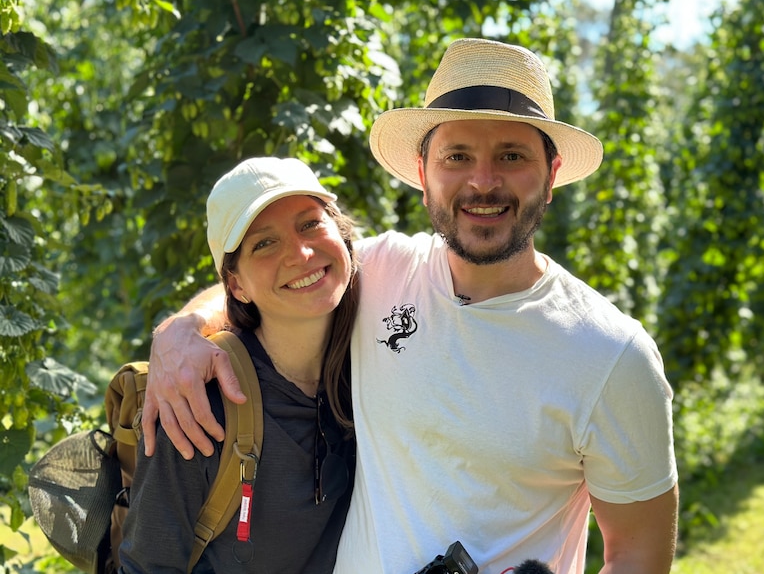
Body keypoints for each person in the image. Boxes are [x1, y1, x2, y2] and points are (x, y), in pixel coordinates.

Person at [144, 38, 678, 573]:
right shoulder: (378, 273)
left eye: (511, 156)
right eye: (457, 156)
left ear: (552, 172)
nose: (483, 181)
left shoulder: (612, 356)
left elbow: (639, 555)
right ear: (423, 174)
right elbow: (287, 274)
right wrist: (183, 329)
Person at [119, 157, 358, 573]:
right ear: (236, 285)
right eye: (264, 243)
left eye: (310, 224)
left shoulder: (382, 349)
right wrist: (179, 329)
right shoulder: (197, 404)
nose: (301, 253)